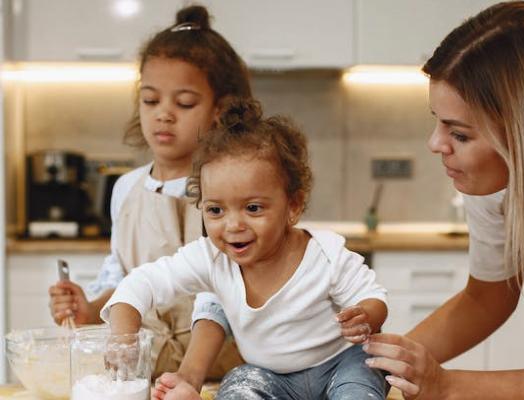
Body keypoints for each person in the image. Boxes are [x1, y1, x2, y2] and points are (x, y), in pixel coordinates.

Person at [363, 1, 524, 399]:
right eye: (437, 121)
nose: (435, 144)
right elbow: (487, 295)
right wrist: (376, 368)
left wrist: (447, 386)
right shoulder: (496, 182)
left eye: (459, 134)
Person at [102, 97, 390, 400]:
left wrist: (364, 316)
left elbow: (373, 297)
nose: (233, 225)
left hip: (341, 365)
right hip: (272, 377)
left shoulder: (325, 253)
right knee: (239, 382)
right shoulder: (211, 258)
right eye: (215, 211)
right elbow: (142, 282)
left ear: (292, 206)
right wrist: (123, 336)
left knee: (364, 376)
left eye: (252, 208)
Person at [47, 4, 251, 384]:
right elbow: (121, 276)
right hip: (145, 376)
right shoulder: (126, 188)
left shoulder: (234, 187)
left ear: (220, 110)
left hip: (224, 377)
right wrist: (89, 308)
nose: (164, 114)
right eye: (151, 100)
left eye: (184, 103)